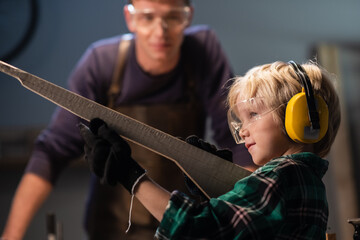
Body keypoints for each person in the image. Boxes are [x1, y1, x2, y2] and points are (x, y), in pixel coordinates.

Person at [1, 0, 255, 239]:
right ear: (130, 18)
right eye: (147, 17)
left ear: (188, 17)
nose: (160, 31)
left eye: (173, 17)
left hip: (181, 222)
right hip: (113, 227)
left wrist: (251, 215)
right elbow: (52, 151)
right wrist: (11, 235)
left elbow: (237, 140)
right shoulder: (102, 63)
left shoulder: (203, 51)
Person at [80, 60, 341, 239]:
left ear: (302, 117)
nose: (243, 130)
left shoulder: (284, 176)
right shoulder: (305, 179)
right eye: (240, 120)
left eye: (253, 114)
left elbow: (196, 230)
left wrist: (131, 176)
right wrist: (211, 182)